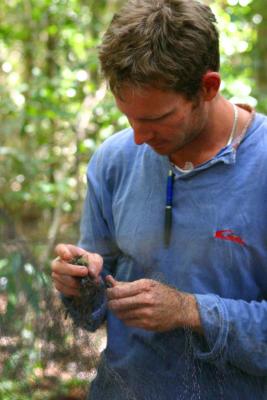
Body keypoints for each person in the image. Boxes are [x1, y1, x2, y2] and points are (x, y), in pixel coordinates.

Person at [51, 0, 267, 399]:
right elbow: (92, 313)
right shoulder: (114, 160)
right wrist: (80, 284)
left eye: (155, 120)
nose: (137, 138)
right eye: (128, 118)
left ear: (207, 87)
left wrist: (191, 311)